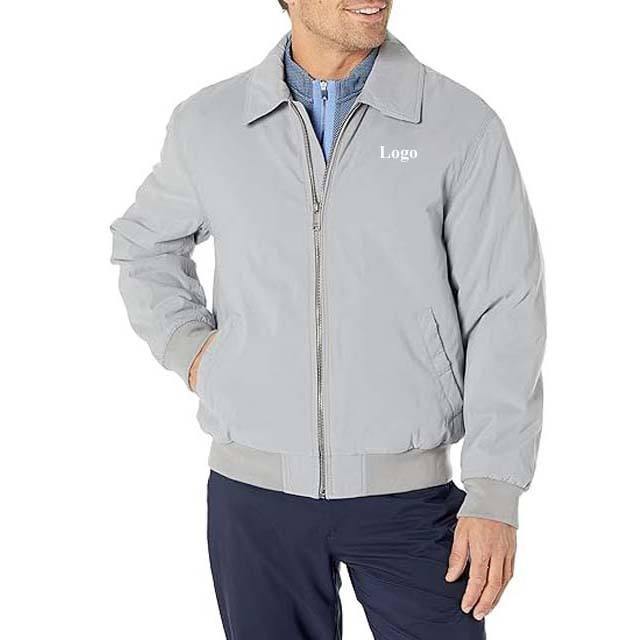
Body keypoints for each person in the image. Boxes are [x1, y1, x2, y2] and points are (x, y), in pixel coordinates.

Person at [110, 1, 546, 637]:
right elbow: (145, 245)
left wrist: (495, 490)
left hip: (411, 499)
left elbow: (505, 307)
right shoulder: (209, 124)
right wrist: (193, 351)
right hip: (253, 498)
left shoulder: (458, 124)